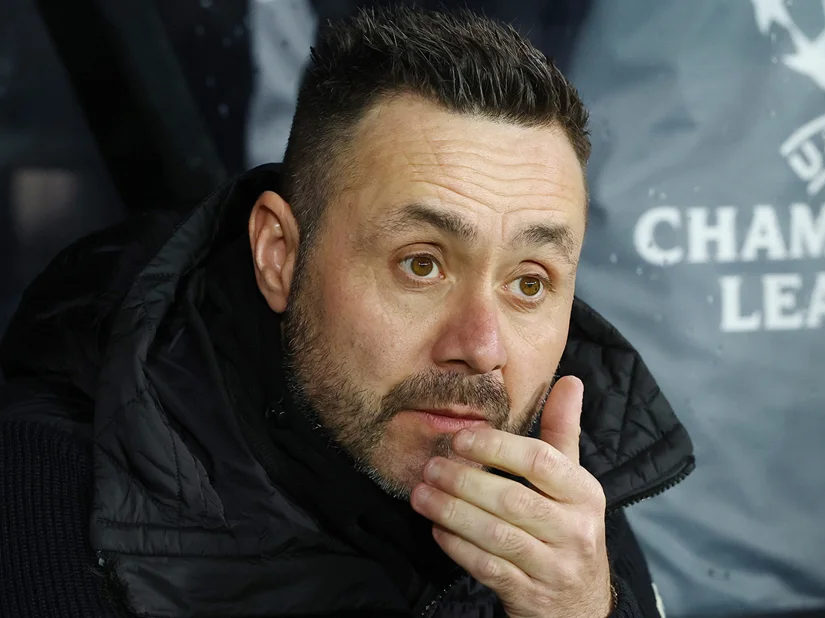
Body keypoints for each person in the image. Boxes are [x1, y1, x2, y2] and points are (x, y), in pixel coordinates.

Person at [0, 6, 693, 617]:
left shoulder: (560, 471)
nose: (483, 347)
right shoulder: (57, 486)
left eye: (530, 283)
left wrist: (577, 609)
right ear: (279, 256)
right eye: (420, 264)